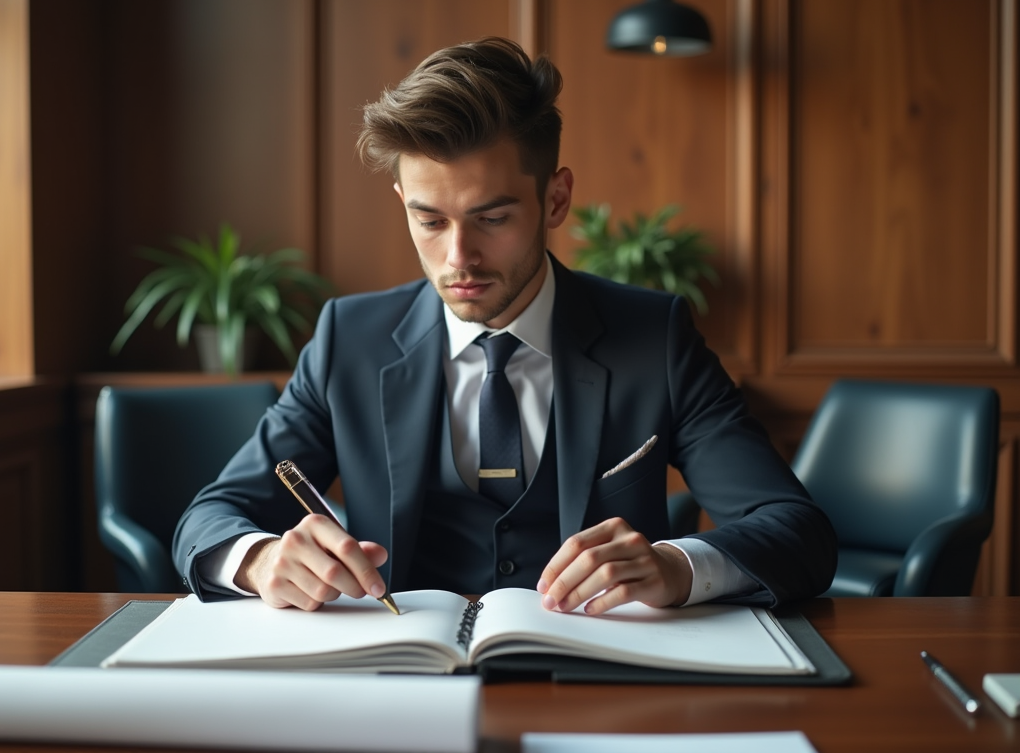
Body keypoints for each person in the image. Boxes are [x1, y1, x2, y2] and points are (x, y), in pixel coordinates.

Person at [173, 37, 836, 614]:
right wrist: (259, 560)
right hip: (401, 683)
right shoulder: (350, 338)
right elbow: (209, 516)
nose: (459, 258)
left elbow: (795, 529)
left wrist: (677, 566)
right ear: (402, 202)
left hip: (599, 681)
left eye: (492, 219)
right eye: (430, 221)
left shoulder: (654, 337)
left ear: (556, 199)